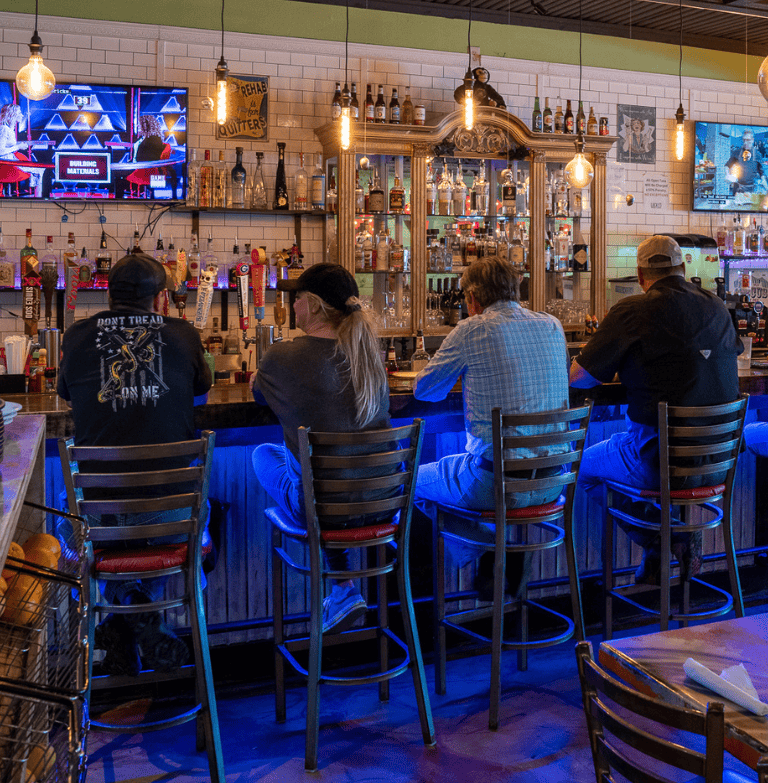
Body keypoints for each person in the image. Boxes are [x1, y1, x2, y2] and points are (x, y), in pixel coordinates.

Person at [58, 253, 212, 675]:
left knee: (63, 518)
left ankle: (125, 617)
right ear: (161, 298)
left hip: (99, 518)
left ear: (107, 294)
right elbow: (204, 386)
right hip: (174, 515)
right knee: (193, 511)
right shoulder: (184, 334)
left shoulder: (75, 336)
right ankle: (137, 615)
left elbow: (67, 394)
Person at [570, 235, 742, 584]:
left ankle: (667, 537)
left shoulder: (632, 310)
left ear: (640, 274)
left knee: (580, 468)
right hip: (719, 464)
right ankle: (662, 549)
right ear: (682, 268)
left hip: (659, 461)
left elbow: (580, 379)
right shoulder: (717, 306)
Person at [413, 255, 571, 598]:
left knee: (406, 482)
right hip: (553, 483)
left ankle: (488, 552)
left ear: (473, 297)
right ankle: (499, 556)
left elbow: (426, 391)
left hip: (494, 484)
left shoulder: (474, 328)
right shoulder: (552, 325)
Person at [251, 263, 392, 632]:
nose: (292, 306)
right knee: (326, 471)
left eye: (296, 299)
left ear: (312, 305)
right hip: (385, 505)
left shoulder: (281, 356)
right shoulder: (370, 357)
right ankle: (345, 585)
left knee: (264, 455)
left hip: (326, 508)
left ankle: (343, 587)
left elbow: (258, 396)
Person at [725, 128, 765, 194]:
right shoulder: (737, 152)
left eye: (748, 140)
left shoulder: (757, 154)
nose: (745, 143)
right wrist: (727, 175)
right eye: (744, 140)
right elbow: (727, 165)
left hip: (752, 189)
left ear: (752, 140)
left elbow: (761, 172)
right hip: (738, 188)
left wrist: (763, 181)